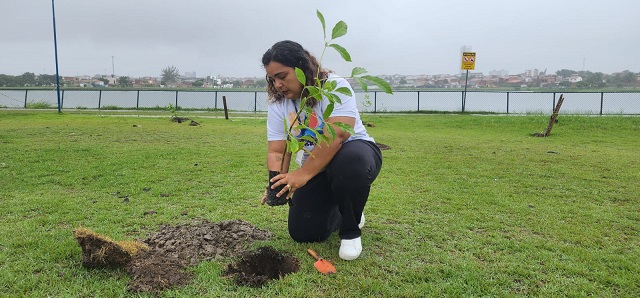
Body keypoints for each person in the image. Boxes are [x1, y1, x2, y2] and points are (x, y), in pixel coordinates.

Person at [260, 40, 383, 260]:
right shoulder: (279, 104)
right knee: (303, 232)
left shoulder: (335, 87)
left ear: (301, 67)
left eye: (282, 76)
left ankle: (351, 230)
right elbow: (278, 150)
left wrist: (302, 174)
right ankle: (348, 208)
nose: (278, 84)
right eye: (273, 79)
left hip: (357, 156)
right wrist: (276, 184)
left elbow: (337, 135)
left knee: (349, 160)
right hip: (317, 167)